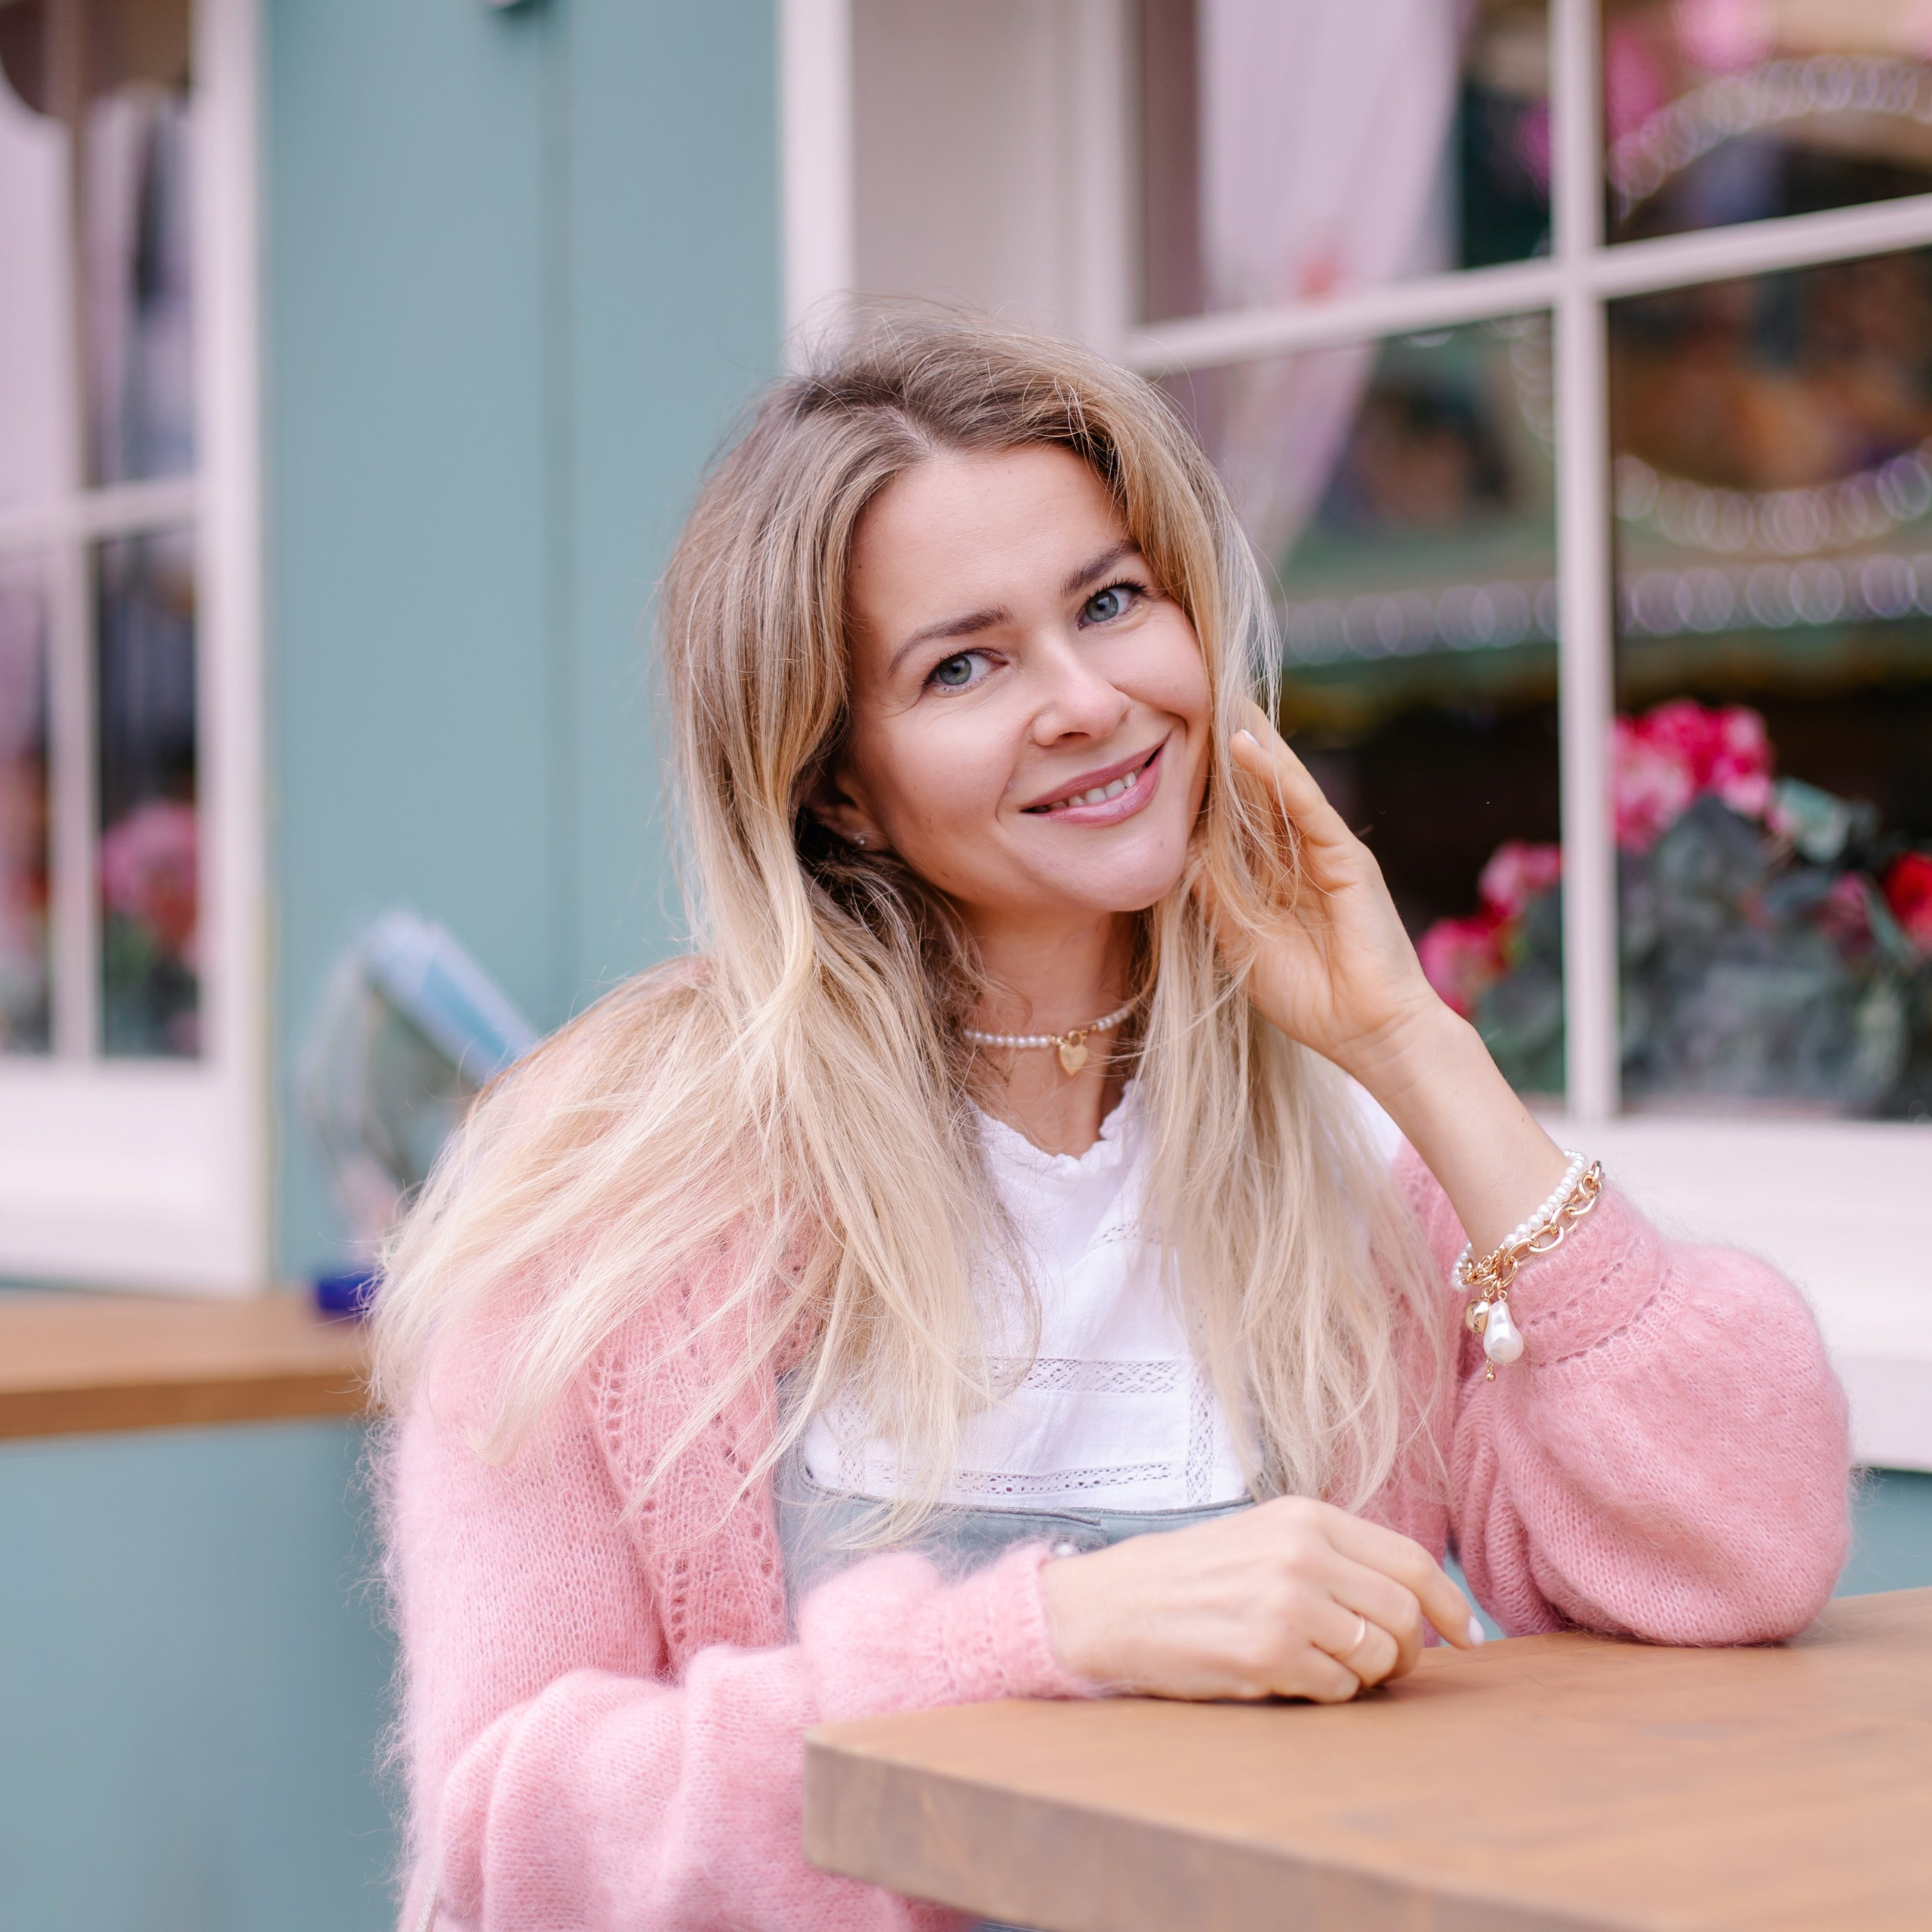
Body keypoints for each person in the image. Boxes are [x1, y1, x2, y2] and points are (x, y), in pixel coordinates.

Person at [374, 311, 1850, 1932]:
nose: (1085, 699)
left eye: (1109, 602)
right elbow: (508, 1835)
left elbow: (1745, 1549)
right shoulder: (611, 1181)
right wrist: (1058, 1633)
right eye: (962, 663)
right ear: (837, 783)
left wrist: (1415, 1051)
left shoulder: (1339, 1156)